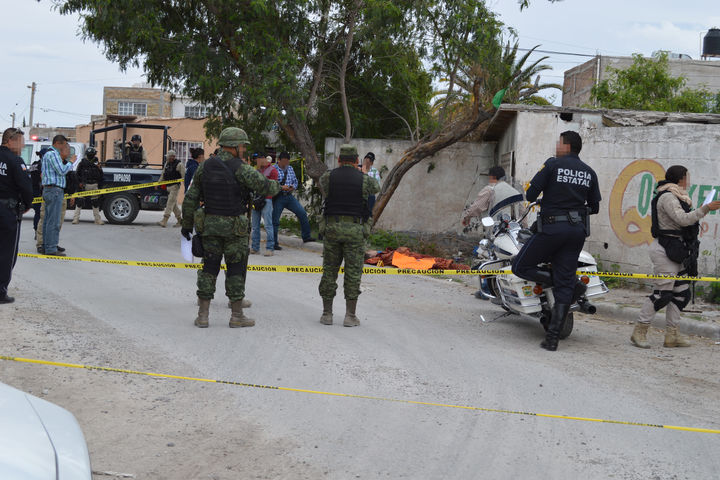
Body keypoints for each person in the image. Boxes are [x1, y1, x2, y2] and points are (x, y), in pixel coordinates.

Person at [511, 131, 601, 351]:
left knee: (520, 266)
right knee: (564, 283)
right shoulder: (589, 172)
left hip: (552, 229)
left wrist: (552, 200)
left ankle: (572, 285)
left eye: (559, 142)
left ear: (566, 146)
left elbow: (531, 195)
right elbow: (594, 207)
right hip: (576, 232)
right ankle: (552, 339)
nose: (556, 146)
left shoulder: (552, 164)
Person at [181, 127, 279, 328]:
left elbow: (190, 198)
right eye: (243, 146)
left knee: (209, 268)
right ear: (235, 146)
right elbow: (266, 187)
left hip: (210, 227)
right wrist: (279, 184)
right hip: (235, 229)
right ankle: (236, 316)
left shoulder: (205, 166)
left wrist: (187, 225)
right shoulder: (241, 168)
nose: (244, 149)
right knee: (235, 269)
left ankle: (203, 316)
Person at [630, 166, 720, 349]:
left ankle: (672, 335)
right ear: (680, 178)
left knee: (681, 294)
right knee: (662, 294)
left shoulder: (678, 195)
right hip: (665, 249)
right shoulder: (668, 197)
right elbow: (683, 220)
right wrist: (705, 209)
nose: (688, 181)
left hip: (677, 249)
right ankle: (639, 331)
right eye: (687, 177)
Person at [317, 144, 380, 327]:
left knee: (329, 272)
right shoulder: (364, 180)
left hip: (332, 230)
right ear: (356, 160)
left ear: (339, 159)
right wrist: (364, 172)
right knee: (352, 273)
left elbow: (323, 186)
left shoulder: (328, 177)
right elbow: (375, 187)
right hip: (355, 232)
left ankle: (327, 314)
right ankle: (350, 316)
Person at [0, 128, 33, 304]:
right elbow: (26, 187)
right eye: (21, 142)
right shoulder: (15, 161)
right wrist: (27, 204)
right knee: (7, 253)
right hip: (7, 212)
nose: (23, 146)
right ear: (10, 141)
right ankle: (0, 292)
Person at [41, 135, 77, 257]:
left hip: (50, 190)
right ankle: (51, 248)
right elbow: (62, 170)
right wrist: (71, 162)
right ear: (58, 143)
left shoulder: (48, 154)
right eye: (64, 145)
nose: (65, 148)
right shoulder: (53, 154)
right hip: (54, 190)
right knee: (54, 221)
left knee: (48, 220)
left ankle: (47, 245)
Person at [271, 151, 316, 249]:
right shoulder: (273, 169)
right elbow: (271, 184)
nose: (285, 164)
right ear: (279, 160)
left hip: (289, 196)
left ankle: (306, 236)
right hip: (278, 196)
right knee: (275, 220)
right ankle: (273, 242)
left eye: (287, 162)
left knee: (302, 213)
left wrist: (292, 187)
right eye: (284, 162)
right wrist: (281, 187)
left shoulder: (290, 168)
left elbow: (295, 181)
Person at [251, 155, 278, 256]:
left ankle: (270, 248)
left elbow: (274, 187)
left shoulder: (272, 170)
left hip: (267, 199)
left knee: (268, 225)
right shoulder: (256, 170)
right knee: (255, 226)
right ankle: (255, 247)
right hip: (256, 199)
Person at [72, 146, 104, 225]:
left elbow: (101, 175)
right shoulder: (82, 163)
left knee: (95, 203)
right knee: (79, 202)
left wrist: (99, 168)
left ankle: (97, 220)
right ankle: (75, 218)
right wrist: (80, 183)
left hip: (94, 184)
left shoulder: (97, 163)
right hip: (84, 185)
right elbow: (77, 174)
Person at [157, 150, 185, 227]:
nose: (167, 158)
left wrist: (186, 188)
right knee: (174, 205)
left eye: (168, 157)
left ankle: (164, 220)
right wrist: (158, 183)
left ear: (173, 157)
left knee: (169, 203)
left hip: (175, 187)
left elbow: (184, 177)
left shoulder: (179, 165)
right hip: (168, 187)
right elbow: (163, 174)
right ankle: (180, 220)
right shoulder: (167, 164)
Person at [29, 147, 49, 234]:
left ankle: (36, 231)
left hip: (34, 191)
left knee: (37, 212)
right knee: (42, 213)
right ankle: (40, 232)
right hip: (41, 192)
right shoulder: (43, 165)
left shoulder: (34, 164)